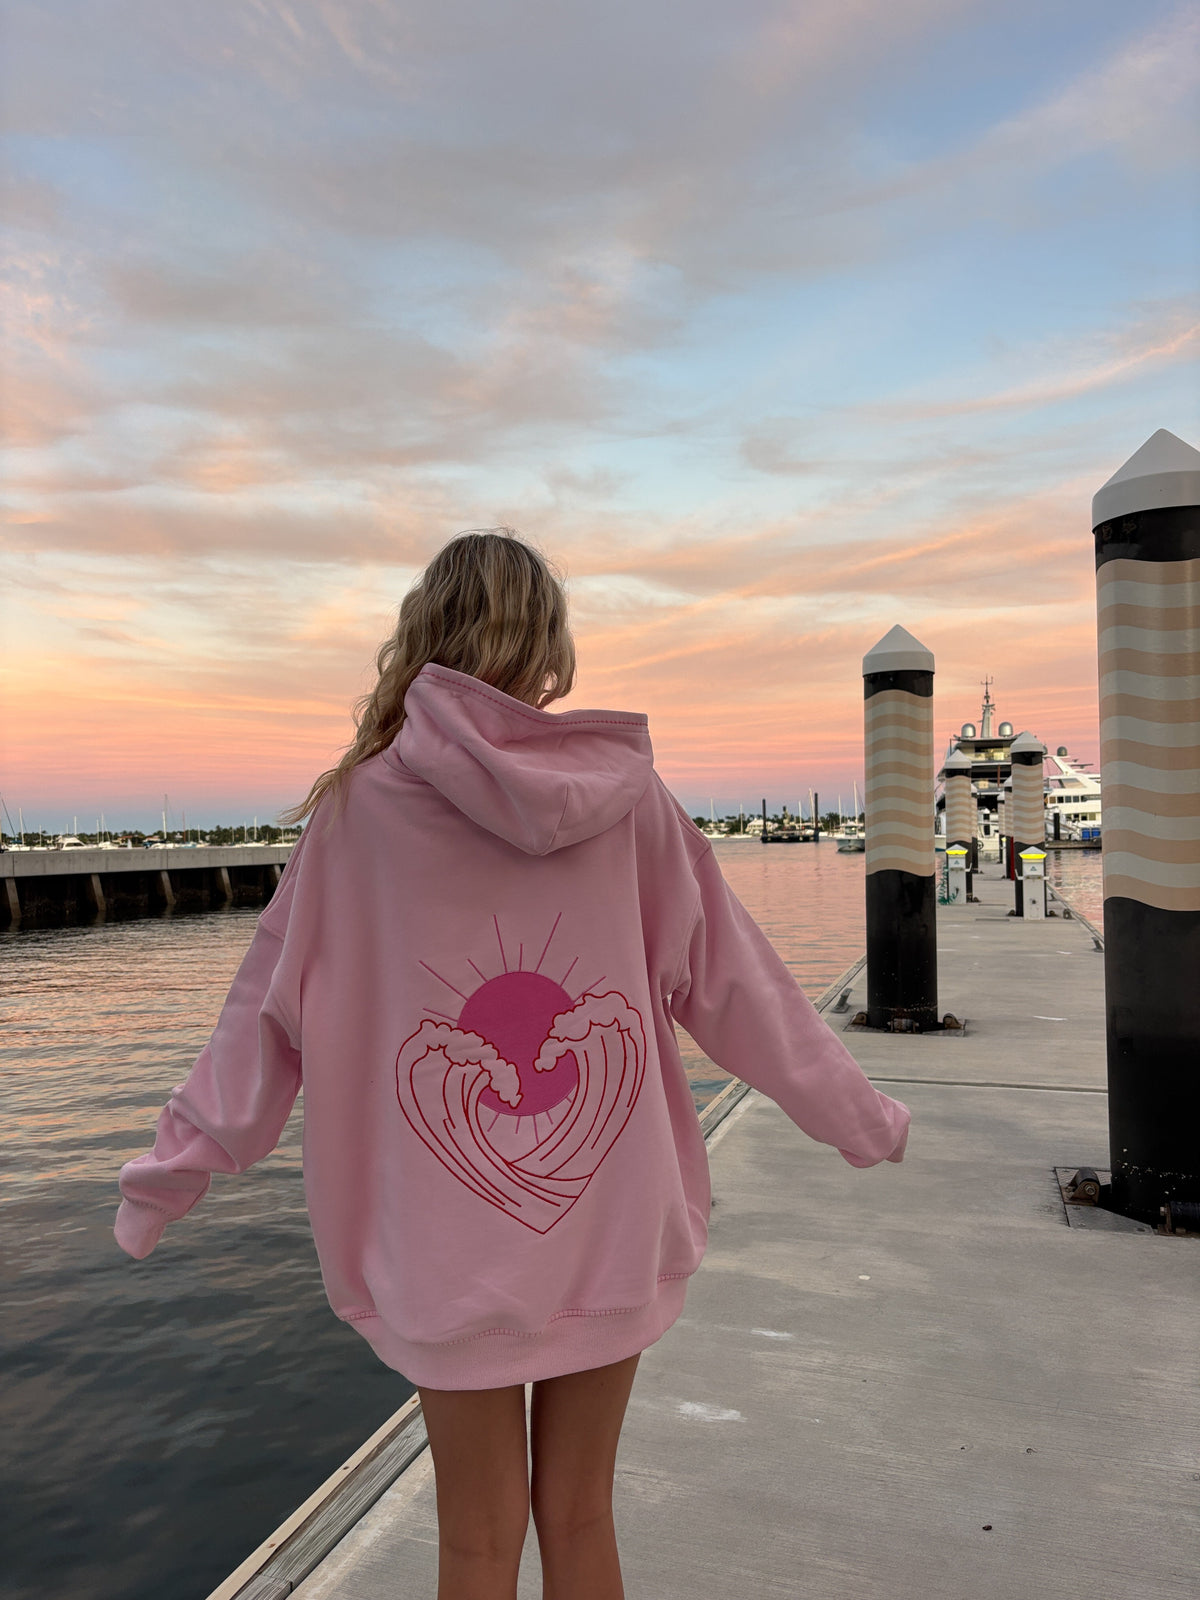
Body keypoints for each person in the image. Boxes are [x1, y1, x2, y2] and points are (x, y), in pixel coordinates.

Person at [114, 528, 910, 1600]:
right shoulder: (634, 803)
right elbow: (741, 990)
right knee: (582, 1517)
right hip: (613, 1227)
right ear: (547, 647)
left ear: (423, 636)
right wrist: (861, 1117)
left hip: (443, 1254)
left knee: (475, 1544)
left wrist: (170, 1173)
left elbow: (262, 1018)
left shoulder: (357, 817)